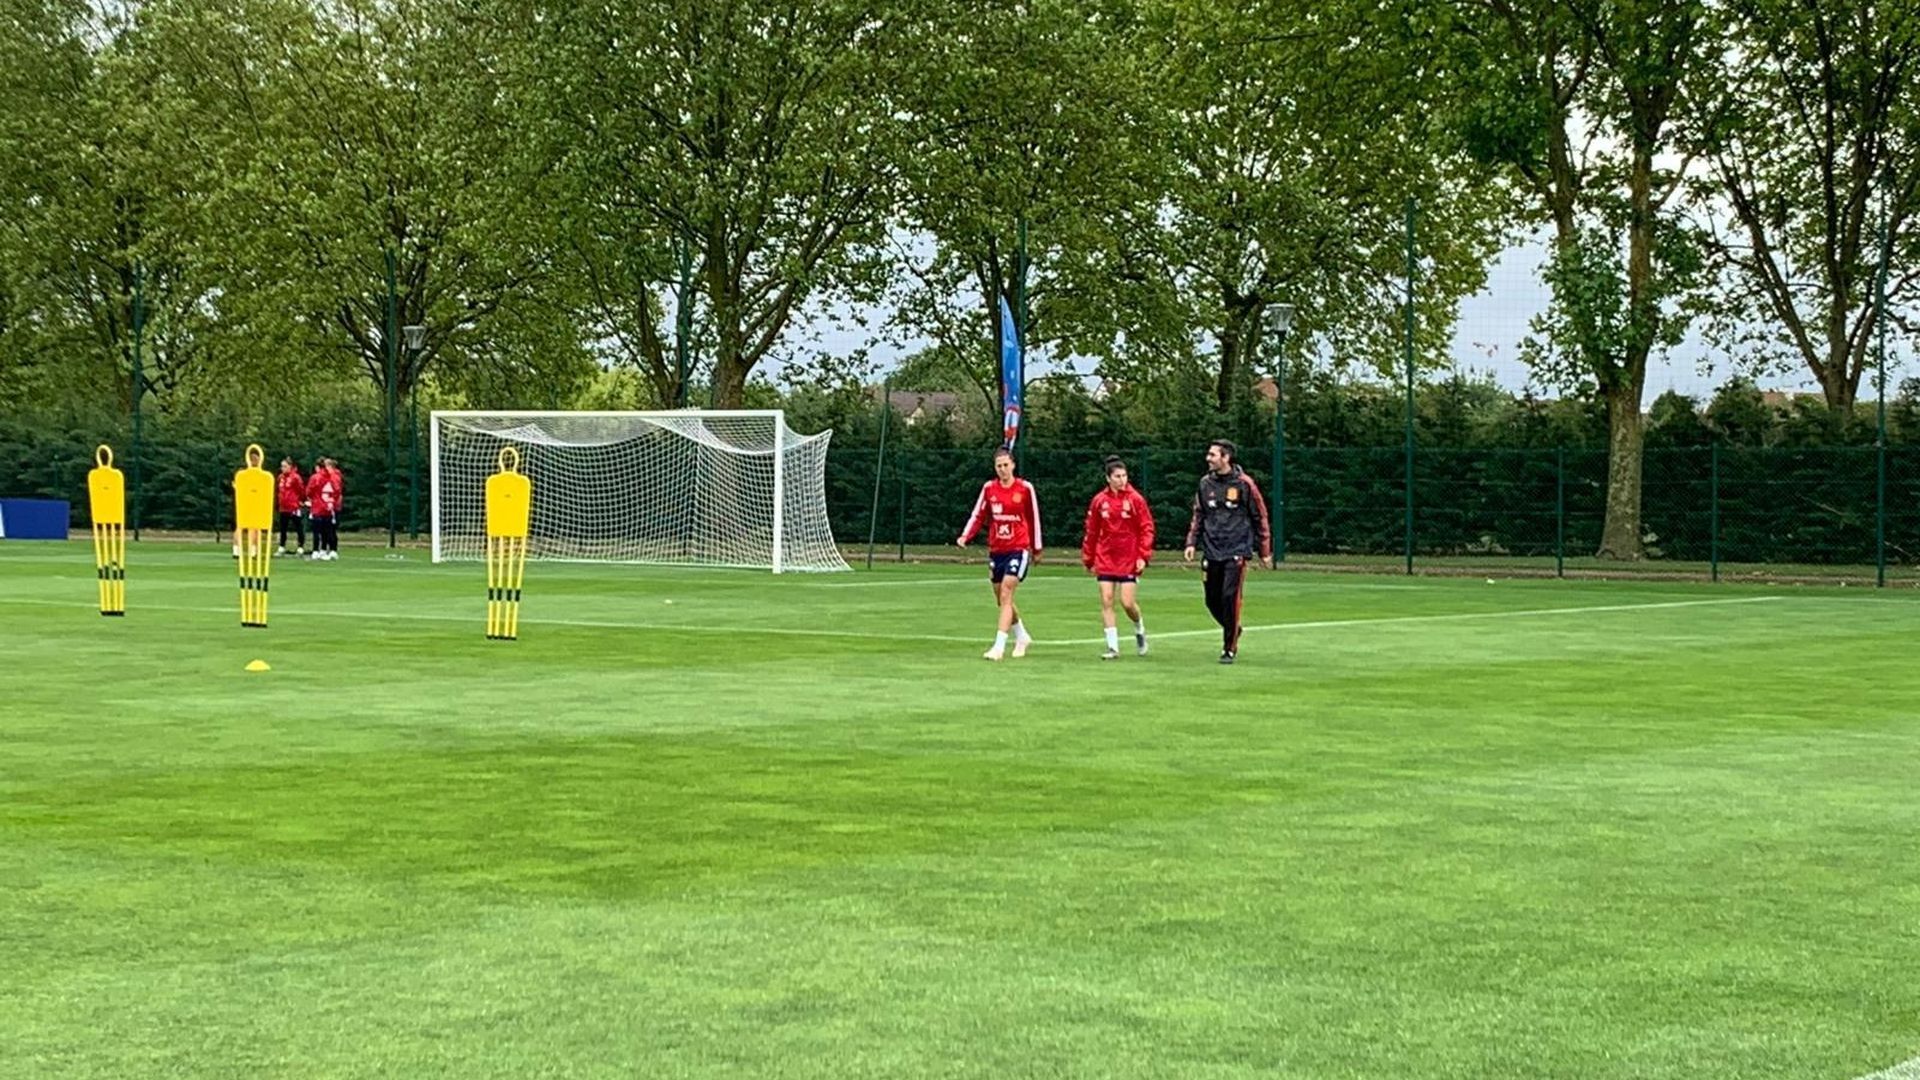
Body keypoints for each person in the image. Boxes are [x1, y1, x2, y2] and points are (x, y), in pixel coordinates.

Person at [1182, 439, 1271, 664]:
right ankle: (1234, 628)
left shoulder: (1244, 484)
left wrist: (1264, 550)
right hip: (1211, 550)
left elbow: (1259, 516)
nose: (1208, 458)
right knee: (1212, 600)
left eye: (1212, 455)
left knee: (1230, 597)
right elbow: (1198, 514)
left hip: (1237, 550)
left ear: (1225, 458)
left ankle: (1229, 648)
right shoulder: (1205, 484)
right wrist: (1191, 542)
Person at [955, 446, 1043, 661]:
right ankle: (1021, 635)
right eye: (999, 466)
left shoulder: (1024, 489)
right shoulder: (989, 489)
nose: (1003, 469)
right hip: (997, 550)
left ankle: (999, 646)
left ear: (1013, 465)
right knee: (1001, 598)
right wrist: (966, 536)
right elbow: (978, 514)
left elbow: (1034, 518)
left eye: (1006, 465)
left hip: (1018, 548)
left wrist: (1037, 548)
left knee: (1006, 592)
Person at [1081, 455, 1154, 659]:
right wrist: (1088, 557)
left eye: (1124, 475)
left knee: (1127, 602)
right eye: (1117, 476)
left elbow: (1147, 528)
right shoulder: (1099, 501)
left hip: (1129, 557)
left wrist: (1143, 555)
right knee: (1106, 600)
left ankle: (1139, 629)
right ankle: (1113, 647)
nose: (1122, 480)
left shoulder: (1135, 499)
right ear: (1108, 478)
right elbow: (1092, 531)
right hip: (1105, 557)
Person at [307, 457, 340, 560]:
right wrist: (332, 501)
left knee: (317, 531)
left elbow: (309, 491)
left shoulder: (315, 477)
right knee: (328, 530)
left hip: (318, 507)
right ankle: (324, 550)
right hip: (328, 508)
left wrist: (313, 500)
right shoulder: (334, 477)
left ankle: (316, 551)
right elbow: (337, 491)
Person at [275, 457, 307, 556]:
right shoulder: (280, 477)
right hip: (283, 507)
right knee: (283, 528)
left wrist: (300, 501)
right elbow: (278, 490)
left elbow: (301, 490)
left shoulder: (295, 477)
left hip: (293, 506)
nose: (283, 468)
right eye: (282, 466)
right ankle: (281, 547)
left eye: (285, 466)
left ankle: (300, 547)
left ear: (290, 467)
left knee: (298, 527)